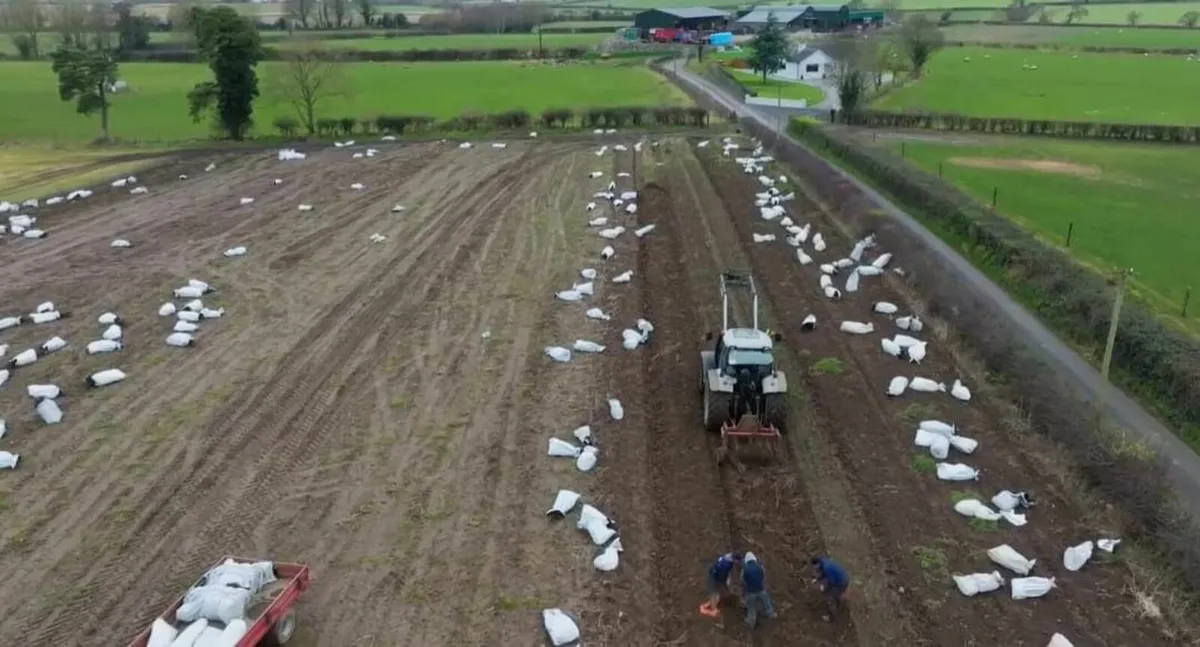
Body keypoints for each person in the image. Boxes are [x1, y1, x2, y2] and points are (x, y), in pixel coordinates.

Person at [699, 552, 743, 617]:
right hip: (714, 578)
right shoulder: (726, 564)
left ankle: (724, 597)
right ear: (735, 559)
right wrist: (725, 581)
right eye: (738, 561)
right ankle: (713, 608)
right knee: (715, 593)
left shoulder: (727, 558)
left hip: (716, 573)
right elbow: (722, 576)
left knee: (723, 589)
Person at [741, 552, 776, 629]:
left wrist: (745, 590)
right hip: (761, 590)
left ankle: (751, 621)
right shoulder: (760, 567)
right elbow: (763, 577)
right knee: (767, 602)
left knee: (751, 608)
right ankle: (771, 614)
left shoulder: (744, 570)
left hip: (751, 592)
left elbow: (742, 581)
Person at [811, 555, 850, 619]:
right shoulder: (823, 561)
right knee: (830, 592)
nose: (815, 569)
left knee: (828, 596)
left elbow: (832, 582)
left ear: (818, 563)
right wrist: (818, 579)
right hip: (842, 576)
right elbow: (824, 573)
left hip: (841, 583)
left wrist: (824, 587)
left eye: (815, 567)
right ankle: (838, 597)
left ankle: (832, 616)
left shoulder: (827, 567)